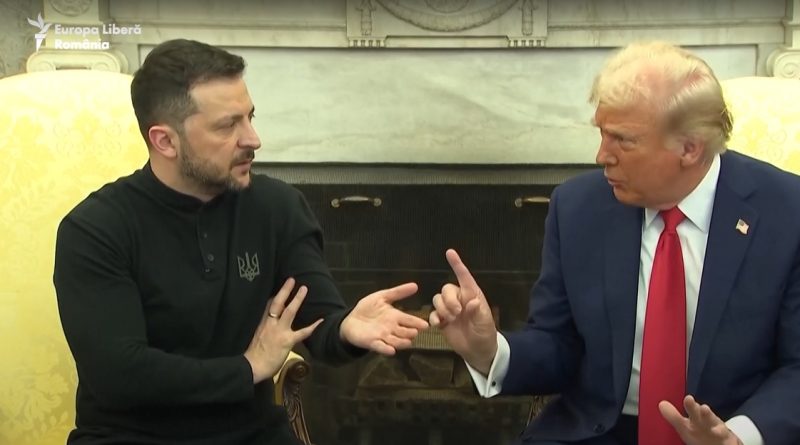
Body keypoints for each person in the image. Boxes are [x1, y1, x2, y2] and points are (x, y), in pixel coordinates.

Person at [53, 39, 428, 445]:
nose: (253, 139)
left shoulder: (277, 208)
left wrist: (347, 329)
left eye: (250, 117)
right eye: (227, 126)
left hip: (250, 433)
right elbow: (119, 376)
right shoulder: (95, 229)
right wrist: (247, 369)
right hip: (131, 437)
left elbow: (317, 323)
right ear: (165, 141)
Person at [431, 41, 800, 445]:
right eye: (602, 134)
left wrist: (740, 436)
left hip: (729, 430)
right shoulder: (578, 207)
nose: (601, 155)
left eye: (623, 140)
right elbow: (559, 344)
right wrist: (490, 351)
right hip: (599, 431)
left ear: (689, 148)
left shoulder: (787, 213)